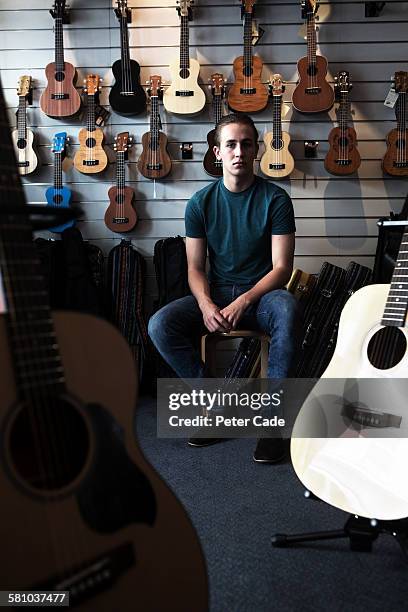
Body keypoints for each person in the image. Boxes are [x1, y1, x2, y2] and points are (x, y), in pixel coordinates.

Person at [148, 113, 299, 463]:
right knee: (160, 324)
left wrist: (245, 300)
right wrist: (204, 304)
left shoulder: (275, 199)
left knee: (288, 307)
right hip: (216, 292)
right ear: (217, 152)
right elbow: (195, 268)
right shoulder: (200, 202)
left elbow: (282, 268)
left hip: (261, 295)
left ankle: (273, 424)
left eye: (246, 144)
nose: (239, 152)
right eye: (230, 144)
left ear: (256, 150)